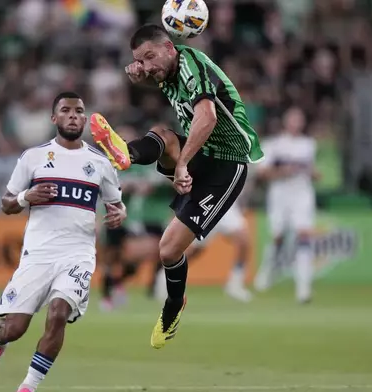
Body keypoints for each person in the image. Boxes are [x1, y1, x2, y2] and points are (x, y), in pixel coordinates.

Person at [89, 24, 264, 349]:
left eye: (150, 56)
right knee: (163, 135)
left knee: (169, 249)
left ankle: (173, 307)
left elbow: (208, 117)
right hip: (204, 153)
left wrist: (182, 163)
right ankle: (124, 153)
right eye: (140, 60)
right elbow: (159, 79)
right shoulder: (165, 73)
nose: (147, 65)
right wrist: (141, 75)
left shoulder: (190, 65)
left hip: (228, 162)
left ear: (170, 47)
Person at [0, 92, 127, 392]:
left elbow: (117, 203)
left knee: (58, 313)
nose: (73, 115)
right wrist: (24, 197)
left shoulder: (99, 163)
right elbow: (6, 204)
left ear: (85, 119)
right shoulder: (33, 157)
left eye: (79, 111)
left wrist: (119, 213)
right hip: (39, 255)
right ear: (54, 118)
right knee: (14, 329)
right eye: (66, 110)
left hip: (79, 254)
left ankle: (29, 386)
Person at [98, 125, 173, 311]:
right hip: (114, 217)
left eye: (129, 141)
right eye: (122, 141)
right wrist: (129, 187)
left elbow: (160, 178)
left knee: (137, 258)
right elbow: (106, 186)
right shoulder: (110, 164)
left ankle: (121, 284)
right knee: (111, 257)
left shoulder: (143, 164)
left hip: (135, 219)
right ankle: (107, 297)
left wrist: (150, 184)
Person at [254, 106, 319, 304]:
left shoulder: (309, 144)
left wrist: (314, 173)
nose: (296, 123)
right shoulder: (274, 145)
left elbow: (312, 170)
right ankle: (267, 272)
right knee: (278, 238)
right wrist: (284, 171)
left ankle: (303, 289)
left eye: (299, 119)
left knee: (304, 236)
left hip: (302, 194)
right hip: (280, 194)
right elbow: (262, 173)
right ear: (286, 121)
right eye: (293, 119)